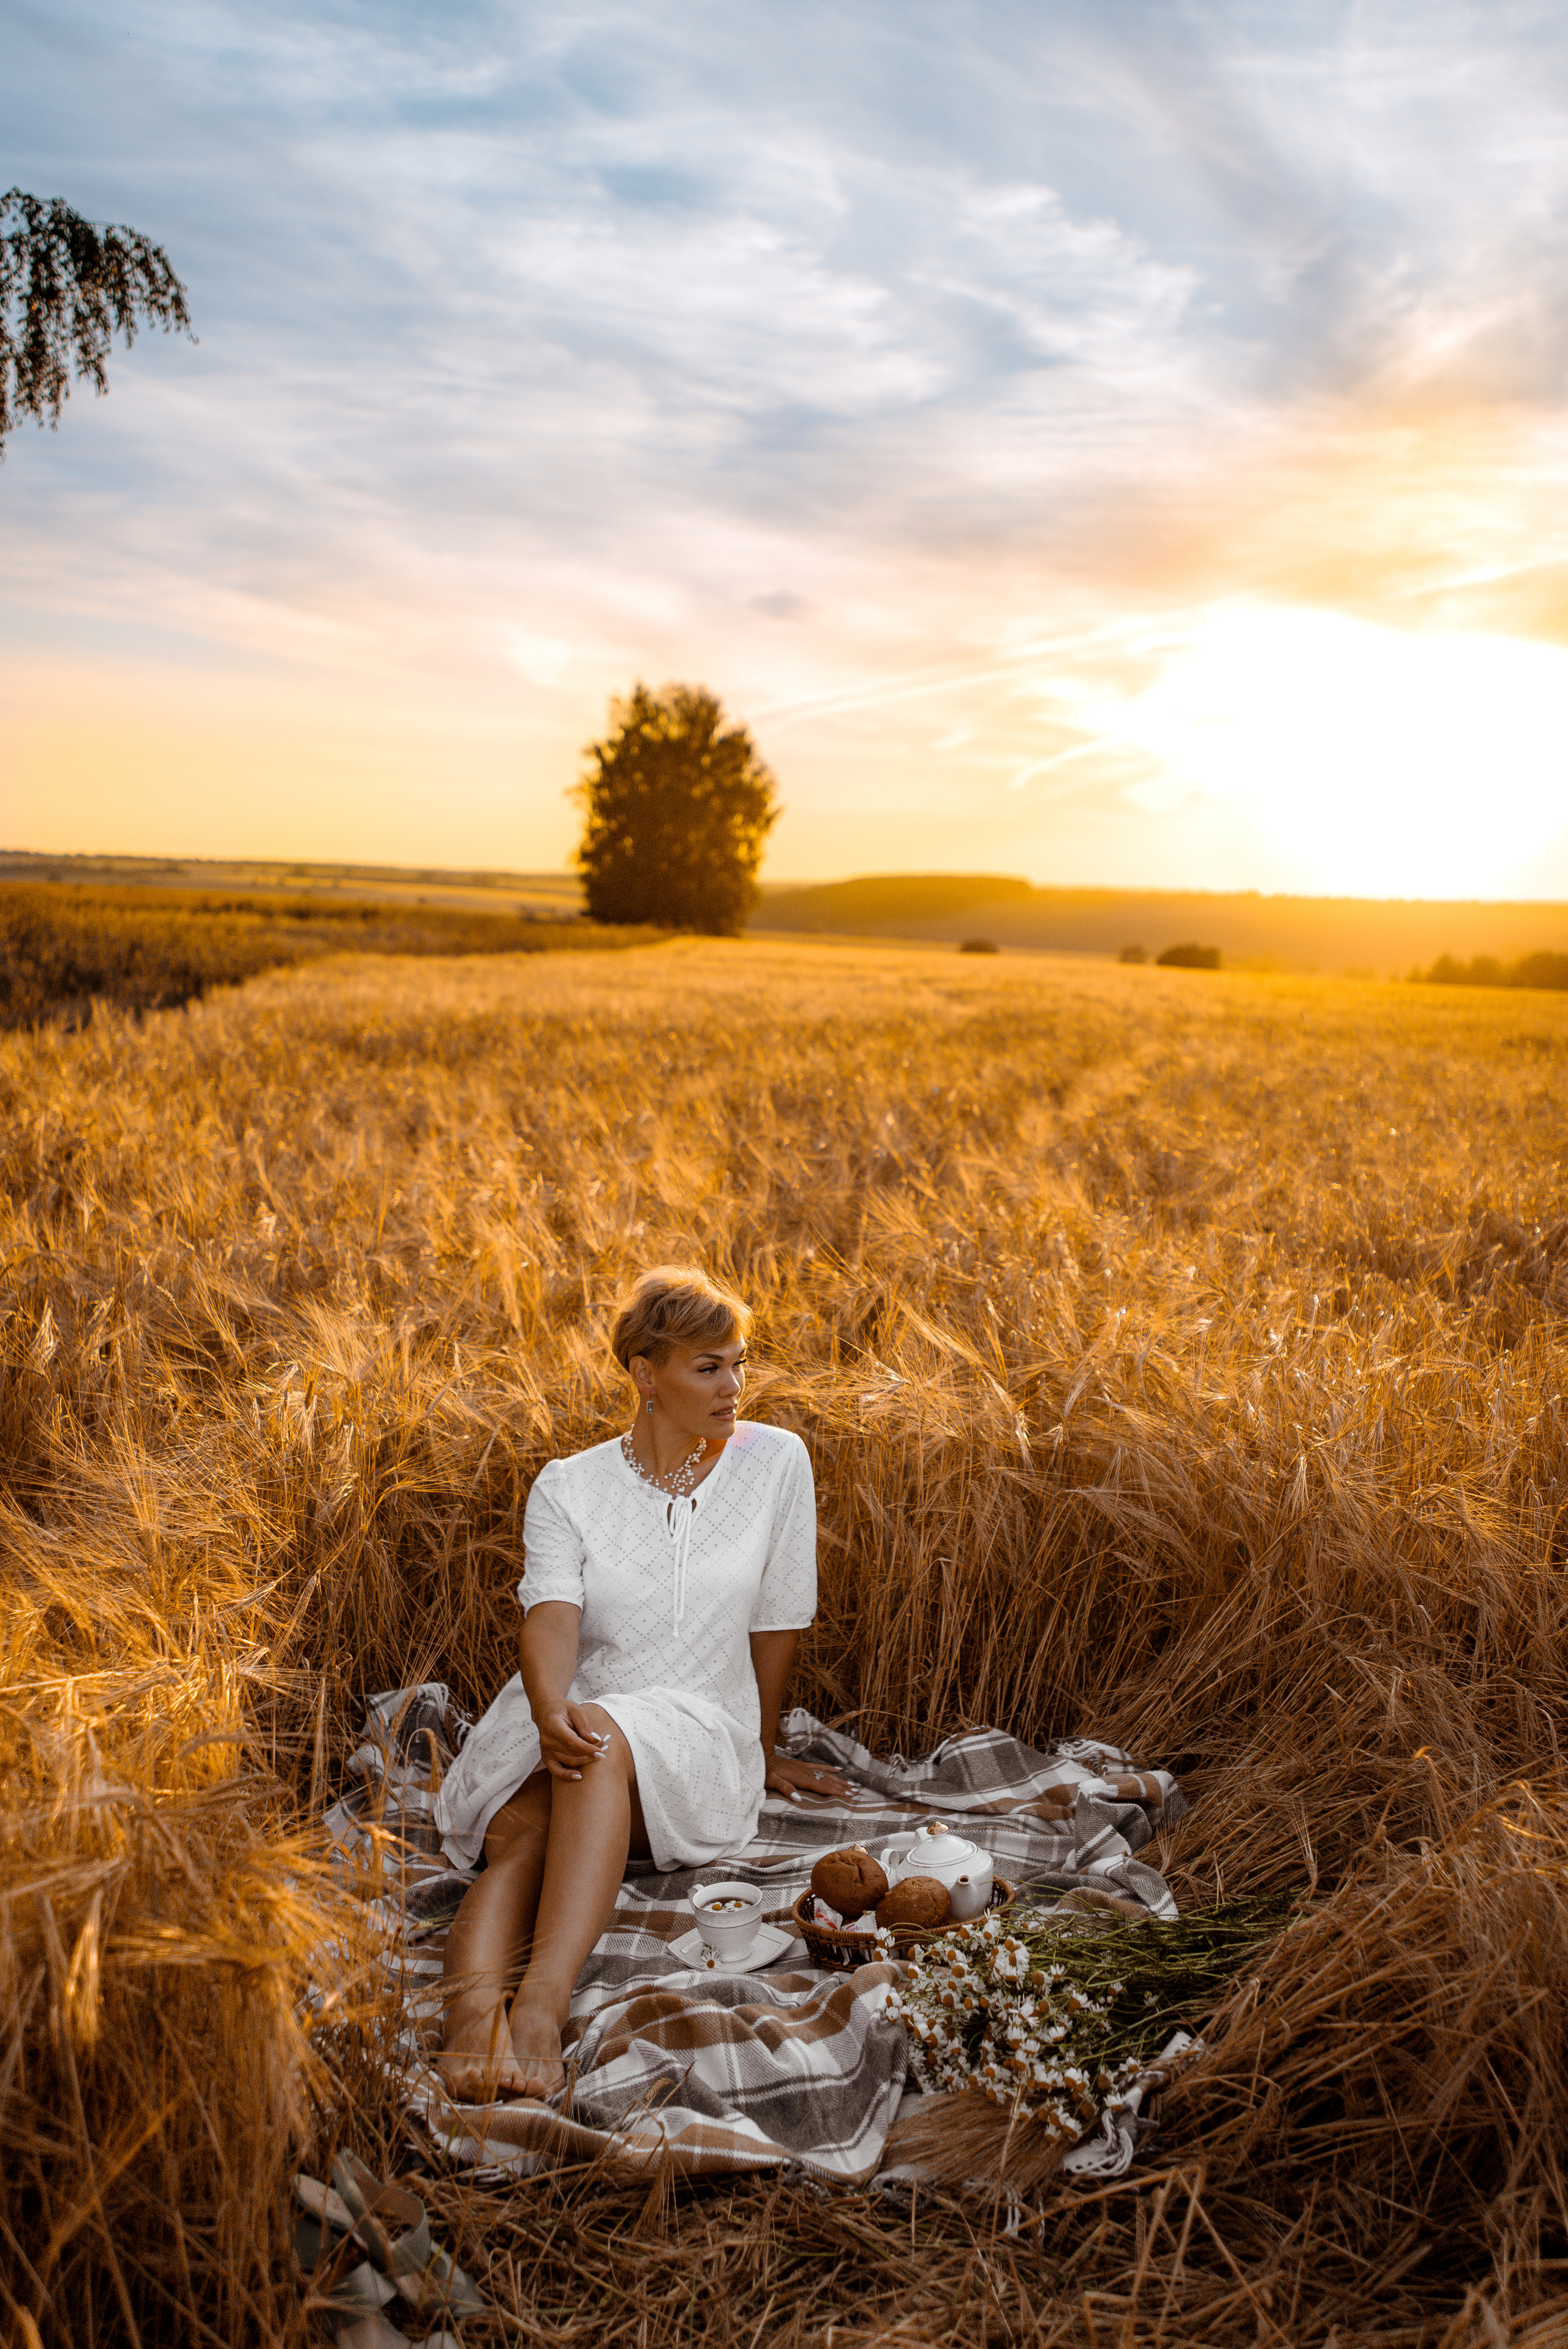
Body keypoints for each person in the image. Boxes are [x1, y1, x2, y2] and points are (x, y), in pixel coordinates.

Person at [432, 1265, 850, 2101]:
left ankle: (542, 2008)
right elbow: (551, 1616)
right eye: (708, 1366)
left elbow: (777, 1621)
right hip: (572, 1707)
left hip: (697, 1728)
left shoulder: (776, 1463)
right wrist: (548, 1710)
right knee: (525, 1835)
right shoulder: (571, 1484)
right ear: (645, 1374)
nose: (734, 1384)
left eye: (739, 1361)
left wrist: (762, 1748)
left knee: (601, 1738)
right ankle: (473, 2024)